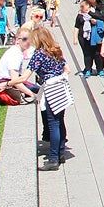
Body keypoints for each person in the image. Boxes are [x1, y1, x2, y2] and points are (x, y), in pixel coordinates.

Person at [27, 25, 68, 171]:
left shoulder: (39, 54)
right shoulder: (56, 50)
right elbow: (66, 69)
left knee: (53, 124)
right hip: (61, 88)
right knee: (60, 121)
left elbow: (25, 76)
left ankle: (53, 159)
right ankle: (61, 152)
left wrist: (8, 83)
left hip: (50, 89)